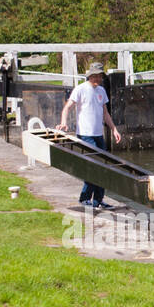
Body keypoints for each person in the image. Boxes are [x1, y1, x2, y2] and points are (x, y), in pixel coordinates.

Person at [55, 62, 122, 209]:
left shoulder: (101, 91)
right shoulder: (80, 89)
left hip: (99, 134)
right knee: (92, 167)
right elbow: (67, 108)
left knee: (103, 166)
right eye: (95, 76)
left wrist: (114, 130)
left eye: (100, 76)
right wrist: (64, 122)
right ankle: (84, 198)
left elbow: (105, 113)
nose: (98, 79)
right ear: (89, 75)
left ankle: (98, 201)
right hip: (85, 135)